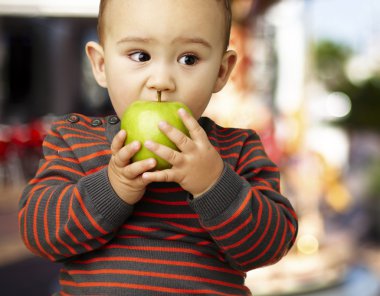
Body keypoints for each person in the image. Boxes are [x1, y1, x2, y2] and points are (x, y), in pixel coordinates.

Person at [19, 0, 298, 295]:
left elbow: (270, 246)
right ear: (101, 65)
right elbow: (38, 233)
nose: (162, 82)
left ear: (221, 71)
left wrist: (214, 184)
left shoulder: (237, 151)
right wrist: (111, 188)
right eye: (140, 55)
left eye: (189, 59)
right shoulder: (75, 141)